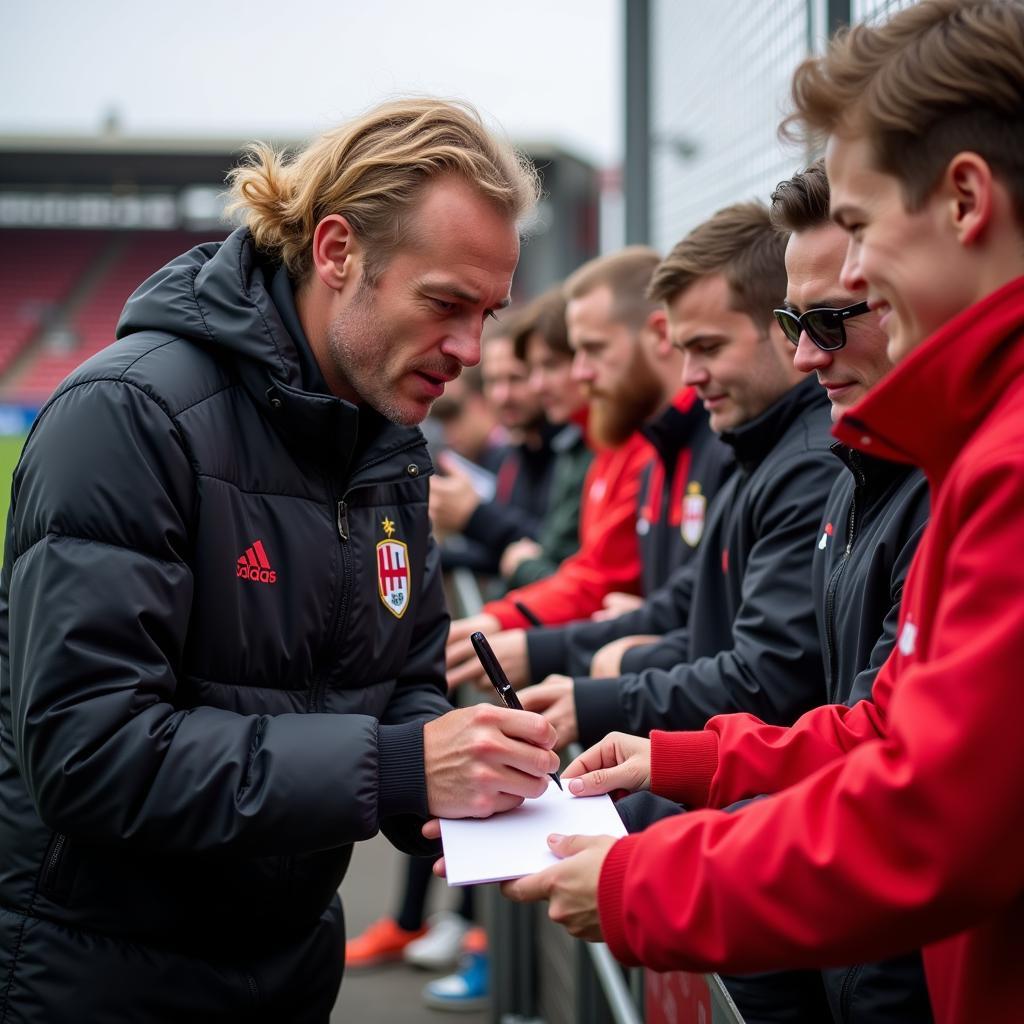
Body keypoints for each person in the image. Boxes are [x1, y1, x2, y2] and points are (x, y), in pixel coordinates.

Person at [491, 4, 1024, 1021]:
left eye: (861, 232)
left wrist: (638, 878)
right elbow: (885, 729)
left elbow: (926, 823)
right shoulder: (958, 445)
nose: (853, 277)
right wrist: (685, 756)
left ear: (964, 200)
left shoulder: (994, 456)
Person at [0, 98, 563, 1023]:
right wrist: (399, 766)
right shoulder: (128, 417)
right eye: (445, 304)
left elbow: (406, 679)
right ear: (337, 251)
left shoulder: (389, 445)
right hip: (99, 978)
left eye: (490, 312)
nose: (471, 350)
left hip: (291, 966)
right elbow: (88, 754)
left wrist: (474, 776)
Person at [519, 201, 840, 752]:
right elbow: (689, 603)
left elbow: (767, 679)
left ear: (785, 329)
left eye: (709, 347)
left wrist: (609, 686)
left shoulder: (804, 463)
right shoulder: (754, 449)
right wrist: (547, 652)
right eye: (686, 350)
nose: (691, 375)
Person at [447, 246, 732, 690]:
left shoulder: (674, 444)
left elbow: (620, 586)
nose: (580, 374)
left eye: (590, 351)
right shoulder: (631, 444)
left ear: (658, 335)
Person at [430, 312, 559, 577]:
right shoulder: (515, 457)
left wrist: (473, 513)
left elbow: (559, 552)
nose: (503, 395)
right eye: (493, 381)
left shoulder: (576, 452)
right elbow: (502, 555)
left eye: (515, 378)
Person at [500, 284, 594, 588]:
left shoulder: (599, 449)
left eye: (550, 365)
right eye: (532, 370)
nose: (538, 385)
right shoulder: (576, 446)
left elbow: (581, 585)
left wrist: (523, 565)